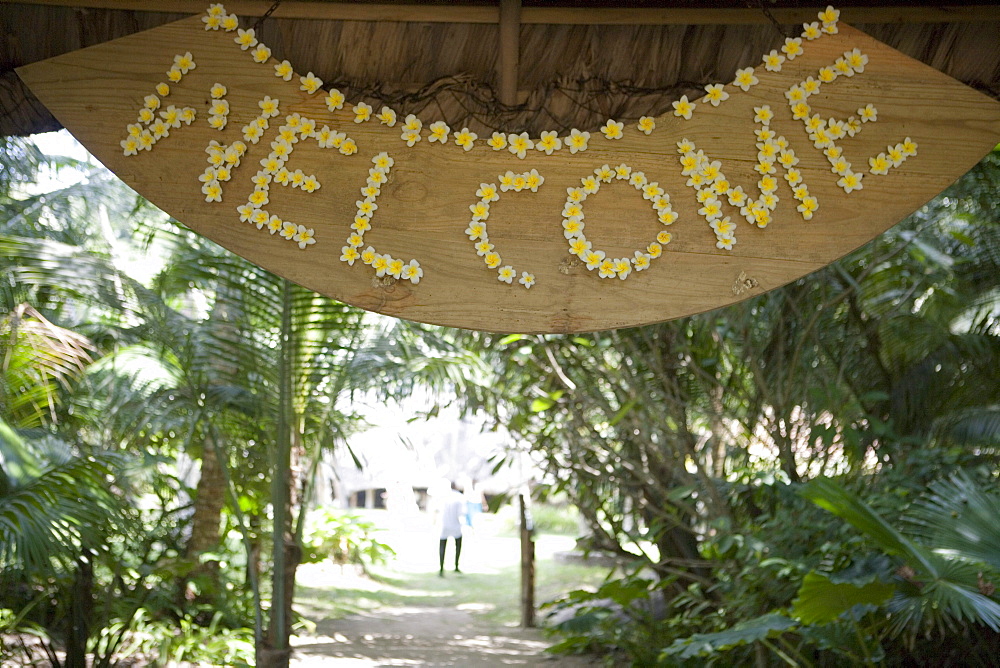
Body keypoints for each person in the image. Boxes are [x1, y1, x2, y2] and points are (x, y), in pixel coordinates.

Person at [438, 481, 465, 576]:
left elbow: (438, 510)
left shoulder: (444, 497)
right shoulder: (460, 497)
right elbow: (461, 513)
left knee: (442, 546)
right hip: (456, 525)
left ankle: (441, 568)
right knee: (457, 546)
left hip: (444, 525)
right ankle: (456, 566)